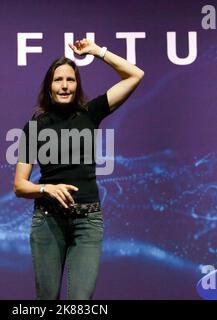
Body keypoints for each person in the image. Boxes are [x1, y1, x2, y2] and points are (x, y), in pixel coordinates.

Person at [14, 38, 144, 300]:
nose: (64, 86)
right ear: (49, 86)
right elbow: (20, 185)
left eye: (70, 80)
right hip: (48, 221)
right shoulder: (35, 126)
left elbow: (135, 75)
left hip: (88, 222)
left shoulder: (90, 113)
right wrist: (45, 188)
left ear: (77, 85)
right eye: (58, 80)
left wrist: (97, 51)